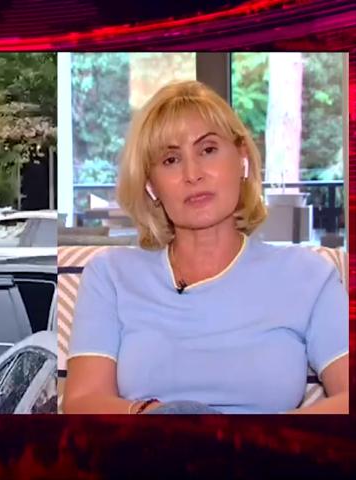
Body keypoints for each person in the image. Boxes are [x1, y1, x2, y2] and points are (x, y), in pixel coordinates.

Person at [62, 81, 348, 415]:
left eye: (208, 150)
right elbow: (83, 400)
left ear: (242, 158)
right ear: (151, 185)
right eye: (170, 159)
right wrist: (154, 416)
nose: (193, 174)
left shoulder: (308, 274)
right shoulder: (110, 274)